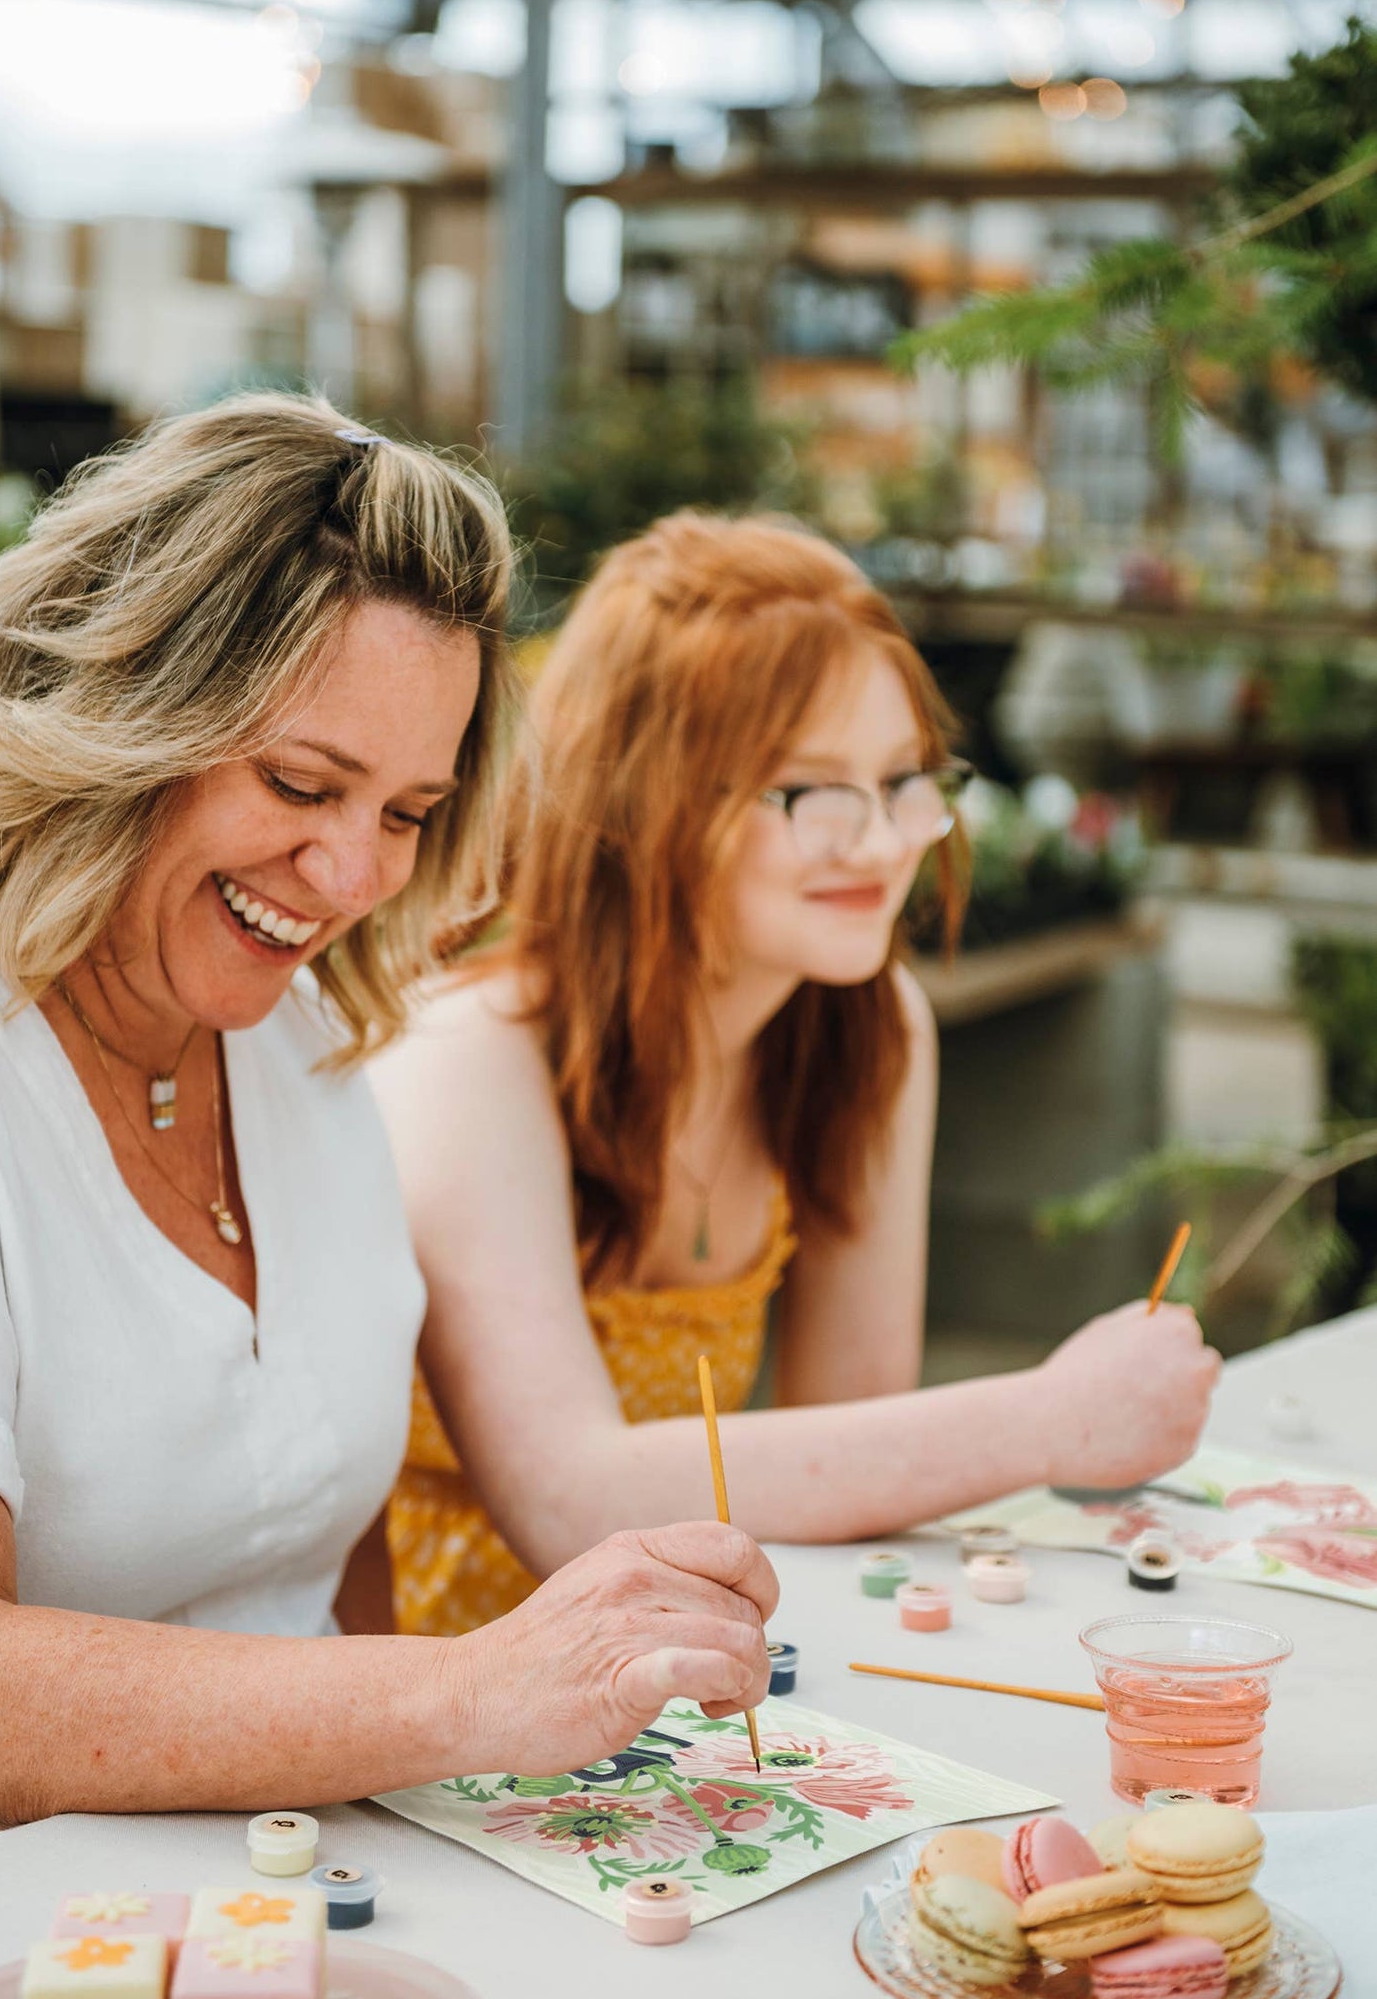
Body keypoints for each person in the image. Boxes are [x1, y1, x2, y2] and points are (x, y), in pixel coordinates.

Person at [0, 401, 774, 1837]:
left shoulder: (301, 1034)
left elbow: (334, 1562)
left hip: (300, 1892)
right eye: (300, 784)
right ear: (129, 712)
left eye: (407, 811)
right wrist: (466, 1693)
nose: (348, 874)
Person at [373, 510, 1221, 1638]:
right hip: (432, 1708)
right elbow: (566, 1497)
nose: (876, 842)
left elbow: (858, 1456)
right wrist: (1053, 1418)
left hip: (686, 1695)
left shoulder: (866, 1031)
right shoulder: (474, 1054)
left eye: (903, 780)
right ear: (652, 797)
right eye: (810, 791)